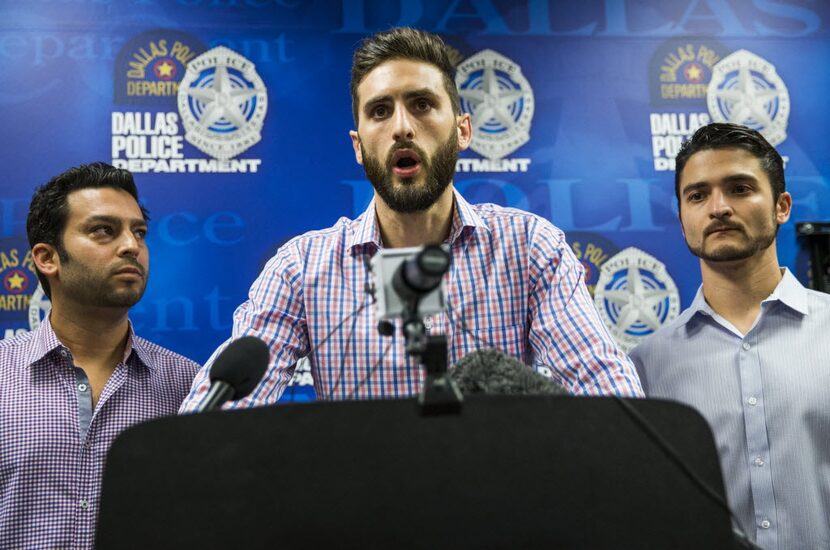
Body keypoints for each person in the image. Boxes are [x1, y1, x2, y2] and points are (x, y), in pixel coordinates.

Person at [180, 27, 642, 411]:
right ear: (359, 145)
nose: (401, 126)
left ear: (462, 129)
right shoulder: (302, 268)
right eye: (380, 111)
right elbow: (215, 423)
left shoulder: (529, 247)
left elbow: (609, 397)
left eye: (421, 104)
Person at [630, 123, 830, 549]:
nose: (718, 207)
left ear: (781, 206)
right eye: (697, 195)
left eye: (740, 188)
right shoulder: (645, 367)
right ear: (682, 218)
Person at [0, 162, 200, 549]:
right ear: (47, 258)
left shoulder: (189, 386)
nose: (131, 246)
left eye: (139, 232)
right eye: (103, 230)